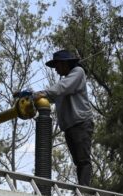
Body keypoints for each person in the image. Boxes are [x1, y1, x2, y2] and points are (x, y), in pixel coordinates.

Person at [35, 50, 94, 187]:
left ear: (65, 63)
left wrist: (41, 93)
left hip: (81, 123)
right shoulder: (66, 81)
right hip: (70, 126)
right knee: (78, 161)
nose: (55, 70)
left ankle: (84, 191)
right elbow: (52, 96)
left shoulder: (78, 72)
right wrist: (30, 95)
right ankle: (82, 189)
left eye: (57, 66)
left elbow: (62, 88)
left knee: (83, 160)